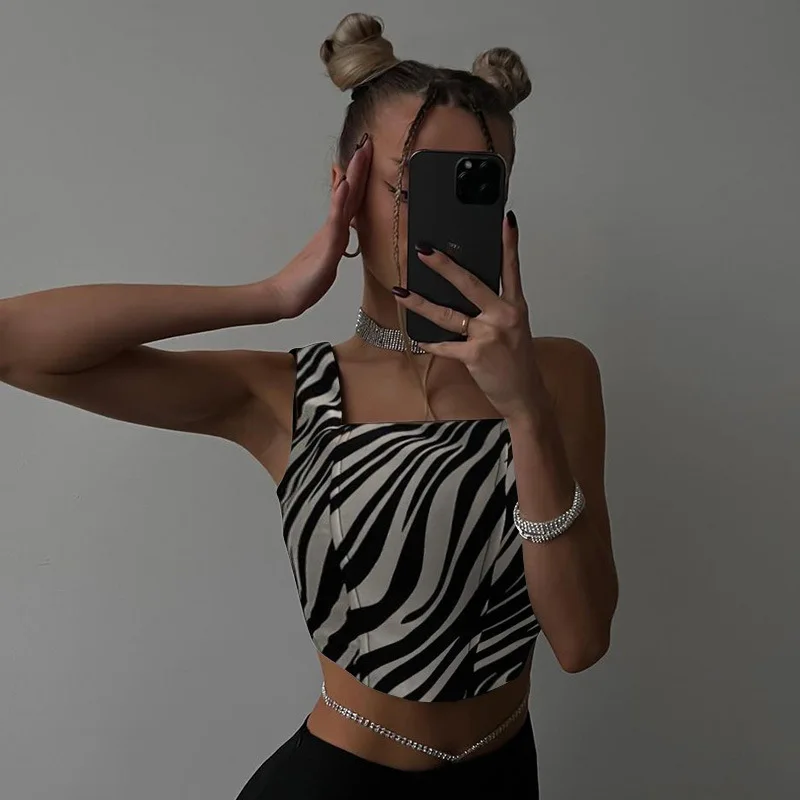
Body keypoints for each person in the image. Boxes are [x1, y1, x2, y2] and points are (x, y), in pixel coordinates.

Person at [0, 12, 618, 799]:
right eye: (411, 185)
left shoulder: (559, 376)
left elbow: (581, 641)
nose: (441, 219)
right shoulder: (290, 393)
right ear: (347, 191)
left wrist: (525, 412)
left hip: (503, 778)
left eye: (476, 184)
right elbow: (13, 344)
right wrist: (272, 295)